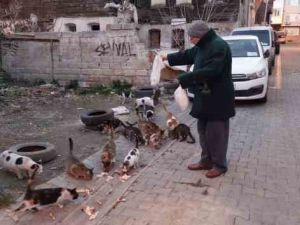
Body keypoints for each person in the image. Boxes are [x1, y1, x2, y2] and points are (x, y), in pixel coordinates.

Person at [161, 20, 235, 178]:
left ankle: (220, 165)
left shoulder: (218, 46)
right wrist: (167, 57)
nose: (190, 40)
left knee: (217, 134)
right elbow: (187, 55)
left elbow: (212, 71)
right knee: (203, 131)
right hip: (204, 97)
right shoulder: (201, 46)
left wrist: (184, 78)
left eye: (192, 37)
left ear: (200, 36)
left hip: (218, 99)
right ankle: (206, 161)